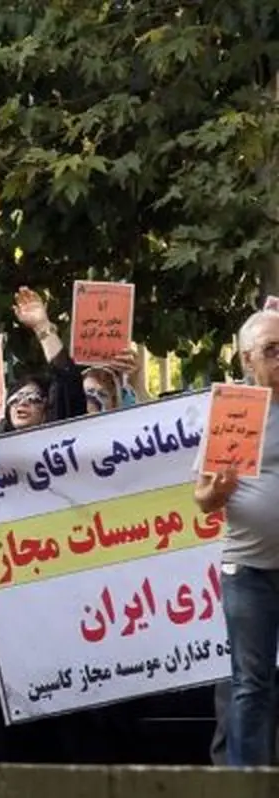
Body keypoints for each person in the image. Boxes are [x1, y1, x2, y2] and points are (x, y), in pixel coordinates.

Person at [195, 309, 279, 766]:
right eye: (271, 349)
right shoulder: (233, 412)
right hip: (247, 572)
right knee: (252, 684)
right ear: (248, 360)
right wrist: (218, 489)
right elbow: (202, 499)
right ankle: (248, 784)